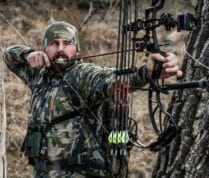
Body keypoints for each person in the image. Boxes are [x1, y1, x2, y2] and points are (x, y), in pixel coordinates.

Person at [3, 21, 182, 178]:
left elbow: (113, 80)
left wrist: (147, 73)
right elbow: (8, 56)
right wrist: (27, 53)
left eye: (67, 43)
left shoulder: (83, 74)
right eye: (53, 44)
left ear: (77, 49)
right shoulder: (37, 75)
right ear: (44, 49)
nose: (60, 49)